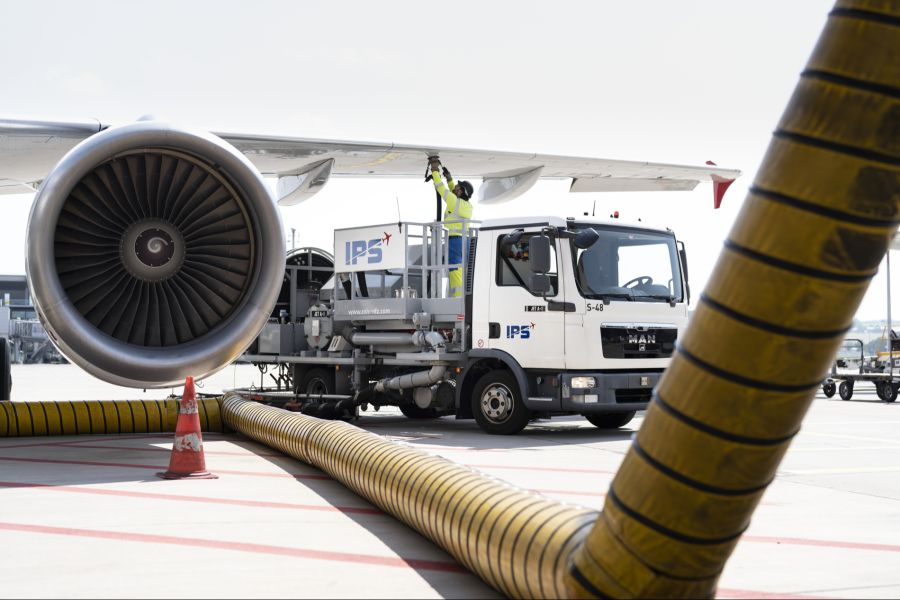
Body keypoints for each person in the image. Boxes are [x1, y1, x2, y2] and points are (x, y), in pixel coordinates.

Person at [427, 156, 474, 297]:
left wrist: (435, 170)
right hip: (465, 242)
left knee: (454, 270)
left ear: (462, 192)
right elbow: (455, 191)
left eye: (458, 188)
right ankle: (461, 297)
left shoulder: (454, 202)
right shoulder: (466, 205)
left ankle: (456, 299)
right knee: (462, 270)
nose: (456, 188)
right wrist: (449, 179)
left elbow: (440, 188)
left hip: (454, 242)